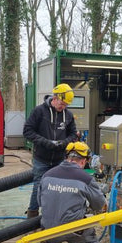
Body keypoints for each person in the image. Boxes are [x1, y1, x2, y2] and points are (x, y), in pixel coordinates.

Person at [23, 83, 79, 218]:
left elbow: (73, 134)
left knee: (58, 188)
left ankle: (53, 216)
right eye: (62, 103)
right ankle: (32, 216)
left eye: (66, 105)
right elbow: (27, 131)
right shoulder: (39, 111)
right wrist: (46, 143)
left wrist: (64, 143)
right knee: (39, 187)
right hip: (41, 158)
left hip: (59, 159)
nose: (63, 107)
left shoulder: (68, 115)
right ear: (55, 98)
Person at [38, 141, 106, 243]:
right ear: (84, 161)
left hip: (47, 232)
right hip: (72, 234)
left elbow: (40, 202)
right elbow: (99, 204)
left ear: (67, 157)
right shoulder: (85, 178)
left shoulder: (47, 175)